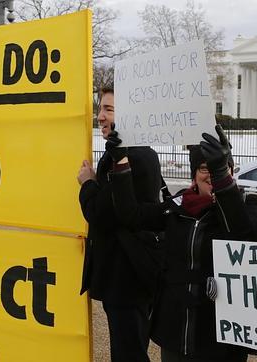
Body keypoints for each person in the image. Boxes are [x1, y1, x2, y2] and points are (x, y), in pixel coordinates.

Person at [107, 125, 257, 361]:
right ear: (194, 174)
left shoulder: (250, 204)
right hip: (175, 332)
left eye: (221, 168)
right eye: (205, 168)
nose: (211, 174)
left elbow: (241, 234)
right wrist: (120, 163)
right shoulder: (178, 206)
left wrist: (220, 173)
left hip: (220, 337)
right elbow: (131, 215)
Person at [77, 86, 163, 361]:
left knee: (129, 354)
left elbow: (101, 213)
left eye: (109, 109)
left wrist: (88, 183)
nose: (100, 116)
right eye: (100, 108)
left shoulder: (135, 156)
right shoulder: (127, 153)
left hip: (127, 276)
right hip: (125, 275)